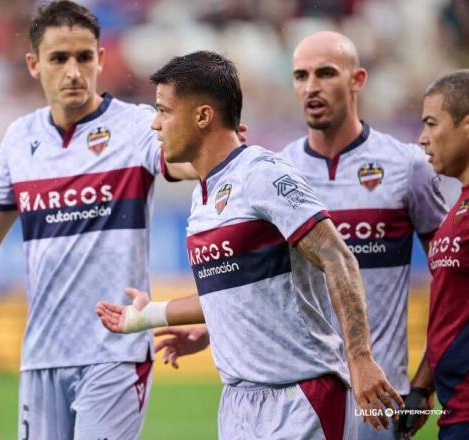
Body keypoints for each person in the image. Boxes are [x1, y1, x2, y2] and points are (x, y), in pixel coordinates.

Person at [153, 31, 448, 439]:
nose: (311, 86)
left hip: (360, 386)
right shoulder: (249, 178)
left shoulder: (400, 165)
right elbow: (253, 286)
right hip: (252, 396)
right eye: (301, 75)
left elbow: (438, 275)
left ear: (357, 79)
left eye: (325, 73)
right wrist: (209, 328)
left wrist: (402, 372)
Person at [96, 50, 404, 439]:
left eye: (163, 111)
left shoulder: (262, 174)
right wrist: (146, 317)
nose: (155, 124)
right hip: (238, 403)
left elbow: (337, 257)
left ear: (203, 116)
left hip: (301, 397)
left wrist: (360, 358)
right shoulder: (202, 197)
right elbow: (233, 289)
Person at [0, 1, 198, 439]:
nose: (73, 71)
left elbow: (183, 164)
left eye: (84, 57)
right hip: (42, 353)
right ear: (34, 64)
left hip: (115, 350)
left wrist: (214, 154)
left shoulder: (136, 126)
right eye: (59, 58)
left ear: (101, 59)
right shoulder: (19, 139)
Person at [400, 70, 469, 440]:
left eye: (430, 123)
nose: (422, 139)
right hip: (453, 411)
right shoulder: (456, 210)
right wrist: (423, 387)